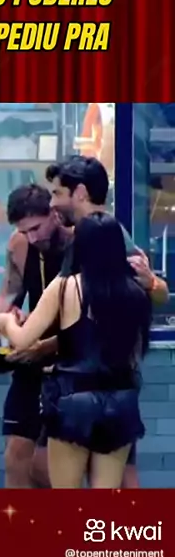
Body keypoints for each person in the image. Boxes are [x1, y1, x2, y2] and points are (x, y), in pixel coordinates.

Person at [0, 213, 152, 489]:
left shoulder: (66, 286)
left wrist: (5, 322)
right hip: (121, 401)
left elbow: (23, 340)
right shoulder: (135, 291)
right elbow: (135, 350)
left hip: (73, 401)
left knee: (68, 498)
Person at [46, 155, 169, 487]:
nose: (53, 203)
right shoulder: (79, 237)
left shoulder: (111, 236)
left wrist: (151, 282)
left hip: (106, 383)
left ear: (80, 193)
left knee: (120, 479)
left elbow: (159, 293)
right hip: (93, 384)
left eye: (57, 193)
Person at [1, 184, 73, 488]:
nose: (32, 238)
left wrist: (44, 346)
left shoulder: (79, 244)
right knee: (15, 456)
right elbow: (8, 298)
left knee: (45, 468)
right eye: (23, 231)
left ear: (54, 214)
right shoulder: (19, 245)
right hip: (31, 359)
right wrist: (4, 321)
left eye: (35, 228)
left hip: (70, 360)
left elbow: (90, 323)